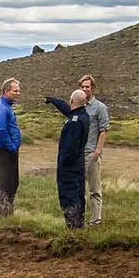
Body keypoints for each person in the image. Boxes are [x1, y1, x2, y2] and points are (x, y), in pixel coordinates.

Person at [45, 89, 92, 229]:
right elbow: (69, 110)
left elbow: (69, 148)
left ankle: (74, 228)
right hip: (78, 165)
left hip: (69, 168)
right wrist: (55, 101)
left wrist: (62, 164)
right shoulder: (82, 115)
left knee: (69, 196)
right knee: (78, 194)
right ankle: (79, 226)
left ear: (72, 101)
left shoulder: (74, 122)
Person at [78, 75, 111, 225]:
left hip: (91, 152)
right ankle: (80, 218)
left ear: (93, 88)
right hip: (78, 153)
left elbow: (104, 130)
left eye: (88, 87)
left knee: (94, 188)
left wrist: (98, 150)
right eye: (83, 87)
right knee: (79, 187)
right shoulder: (78, 106)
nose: (85, 89)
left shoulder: (100, 107)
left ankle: (96, 220)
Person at [0, 78, 23, 218]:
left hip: (8, 150)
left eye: (19, 90)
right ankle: (2, 215)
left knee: (13, 182)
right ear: (6, 91)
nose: (18, 93)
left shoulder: (6, 106)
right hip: (4, 150)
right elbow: (1, 131)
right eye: (15, 90)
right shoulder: (1, 108)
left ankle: (7, 213)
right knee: (6, 183)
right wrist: (12, 147)